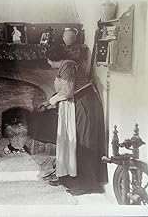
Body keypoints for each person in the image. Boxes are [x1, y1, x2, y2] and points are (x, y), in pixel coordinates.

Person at [38, 44, 108, 195]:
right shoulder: (65, 66)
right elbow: (65, 91)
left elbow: (68, 91)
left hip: (85, 104)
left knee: (84, 142)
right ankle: (69, 177)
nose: (48, 63)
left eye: (48, 60)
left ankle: (87, 184)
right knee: (73, 142)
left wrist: (50, 102)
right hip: (77, 103)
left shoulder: (68, 66)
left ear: (52, 58)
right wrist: (48, 102)